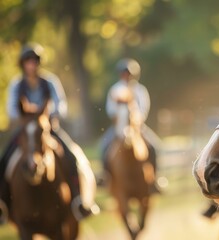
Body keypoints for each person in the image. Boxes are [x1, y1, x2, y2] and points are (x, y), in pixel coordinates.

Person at [0, 44, 98, 224]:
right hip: (25, 130)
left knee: (71, 156)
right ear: (23, 64)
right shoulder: (16, 85)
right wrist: (28, 113)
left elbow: (62, 106)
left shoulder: (50, 81)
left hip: (48, 129)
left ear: (38, 63)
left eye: (34, 61)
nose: (31, 65)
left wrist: (45, 112)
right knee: (4, 160)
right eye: (28, 61)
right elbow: (12, 110)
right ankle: (3, 205)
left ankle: (78, 200)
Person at [101, 58, 159, 191]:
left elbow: (144, 109)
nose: (126, 76)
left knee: (154, 147)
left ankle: (155, 179)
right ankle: (106, 178)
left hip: (137, 126)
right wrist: (119, 120)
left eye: (129, 73)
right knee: (104, 147)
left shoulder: (140, 90)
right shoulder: (114, 90)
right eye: (124, 73)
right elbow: (110, 110)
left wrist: (136, 121)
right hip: (118, 126)